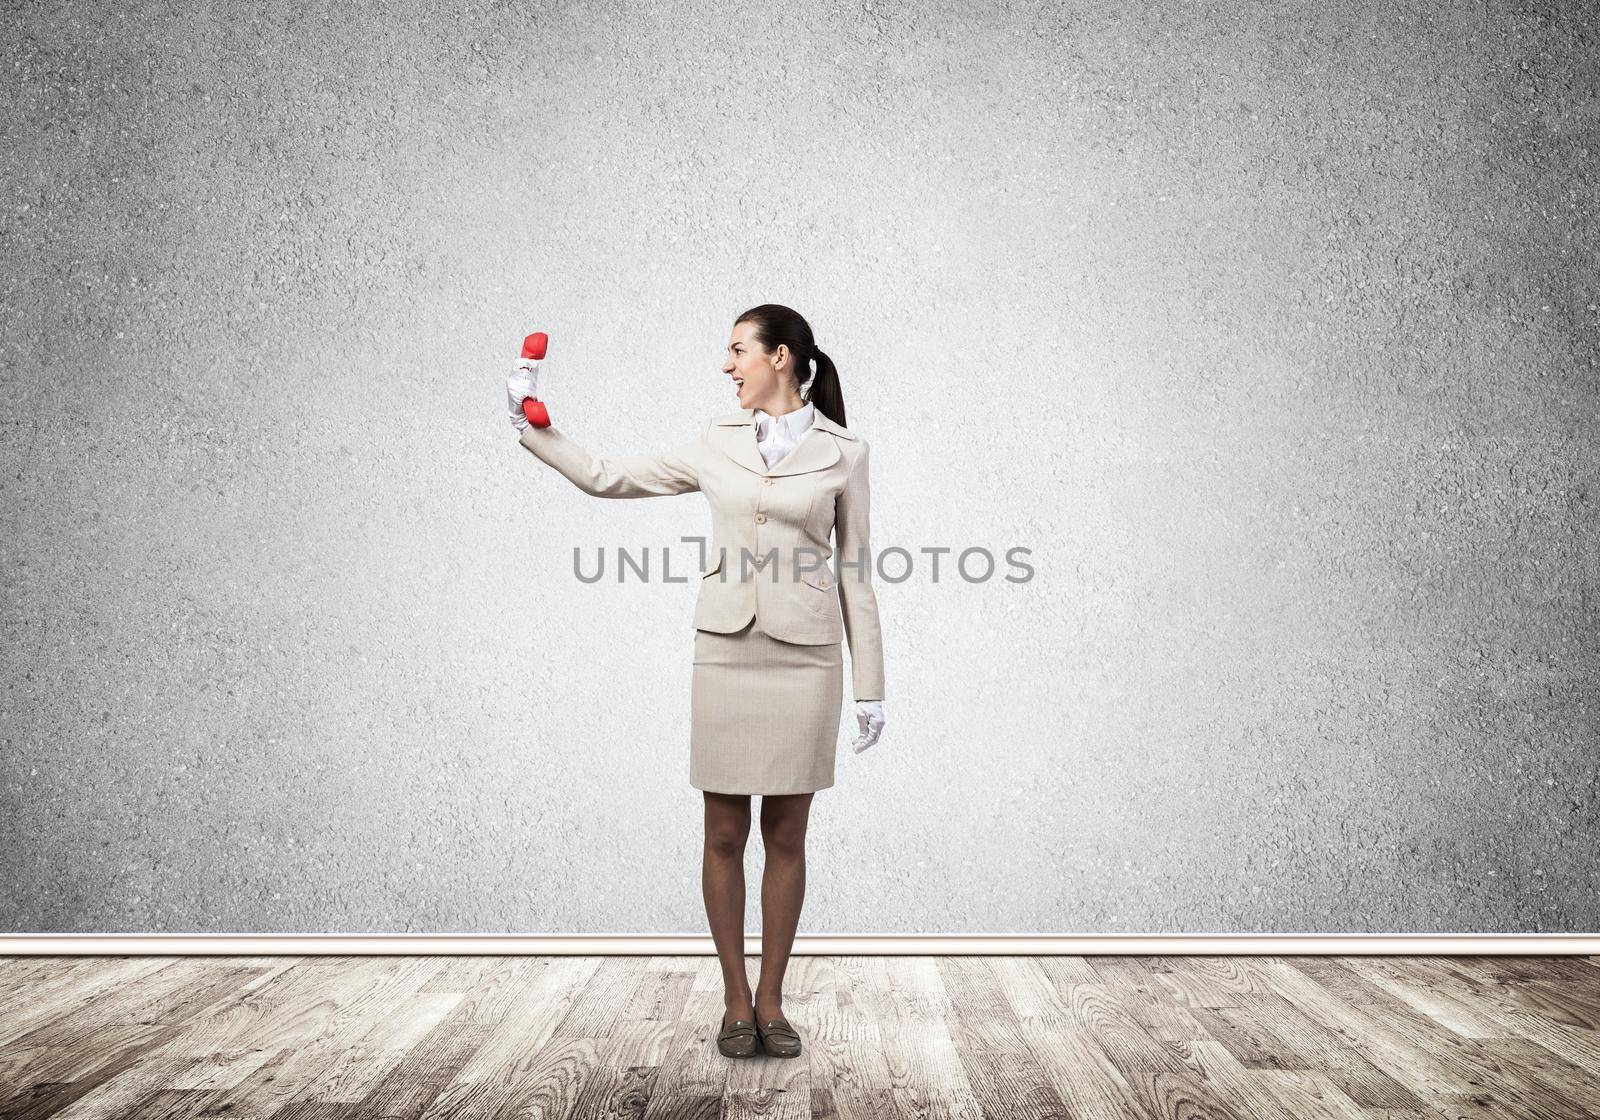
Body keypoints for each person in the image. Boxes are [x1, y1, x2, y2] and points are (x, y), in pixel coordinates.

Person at [505, 303, 886, 1060]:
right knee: (723, 831)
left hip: (807, 656)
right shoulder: (715, 443)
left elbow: (857, 569)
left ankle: (773, 1002)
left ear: (780, 357)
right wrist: (531, 427)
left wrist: (870, 683)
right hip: (726, 650)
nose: (726, 365)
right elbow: (610, 479)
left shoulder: (846, 451)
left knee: (786, 834)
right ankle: (734, 998)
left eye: (737, 350)